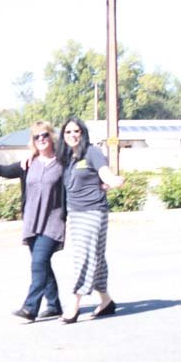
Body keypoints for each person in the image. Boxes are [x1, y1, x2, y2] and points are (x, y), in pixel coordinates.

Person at [0, 121, 65, 322]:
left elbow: (76, 180)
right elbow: (4, 170)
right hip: (32, 221)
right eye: (37, 137)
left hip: (52, 222)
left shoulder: (63, 163)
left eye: (45, 135)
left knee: (38, 263)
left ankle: (30, 308)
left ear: (51, 136)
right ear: (33, 141)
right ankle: (54, 305)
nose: (41, 139)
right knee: (42, 264)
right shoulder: (28, 164)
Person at [56, 117, 125, 323]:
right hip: (75, 213)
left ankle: (74, 305)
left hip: (94, 211)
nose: (72, 135)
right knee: (96, 256)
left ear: (83, 133)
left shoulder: (92, 152)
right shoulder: (66, 158)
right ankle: (106, 300)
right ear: (63, 136)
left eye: (76, 131)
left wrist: (113, 181)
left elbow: (105, 173)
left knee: (83, 256)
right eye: (68, 132)